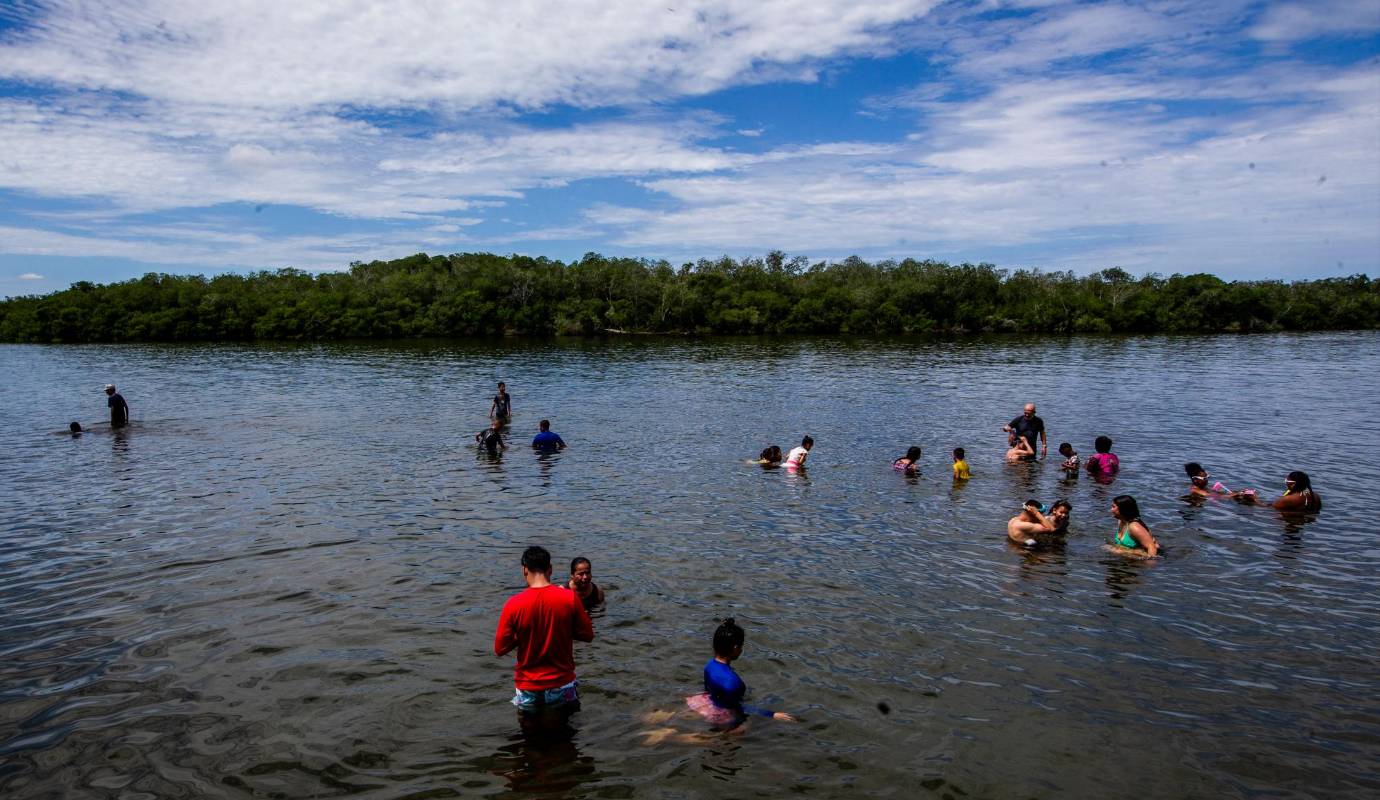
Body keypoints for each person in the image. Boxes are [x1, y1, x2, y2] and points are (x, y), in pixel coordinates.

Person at [495, 546, 594, 715]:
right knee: (565, 728)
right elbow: (588, 635)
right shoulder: (569, 598)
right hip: (562, 682)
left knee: (529, 729)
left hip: (528, 686)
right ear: (550, 569)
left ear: (525, 570)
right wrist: (563, 628)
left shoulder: (513, 604)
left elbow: (500, 649)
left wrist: (523, 634)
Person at [686, 618, 795, 728]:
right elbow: (739, 707)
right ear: (735, 648)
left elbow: (708, 691)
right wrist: (771, 714)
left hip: (703, 702)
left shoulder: (709, 665)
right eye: (741, 646)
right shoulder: (734, 682)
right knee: (744, 729)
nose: (742, 649)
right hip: (719, 713)